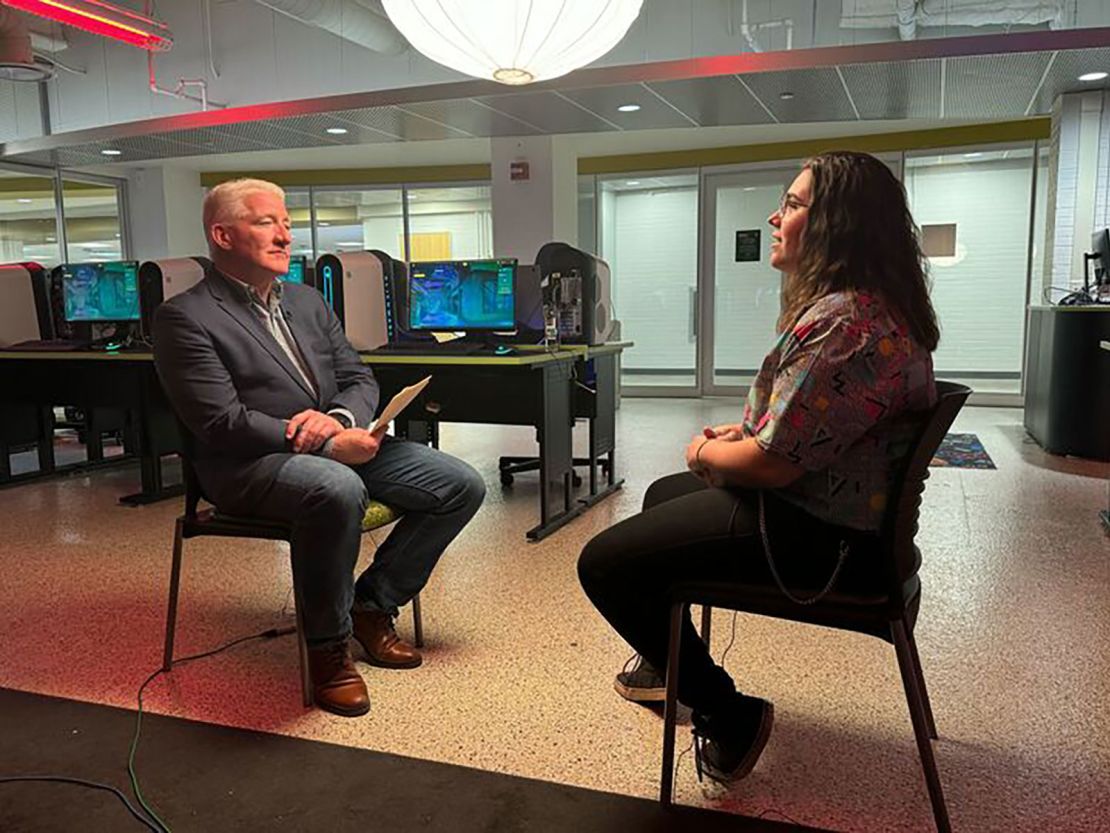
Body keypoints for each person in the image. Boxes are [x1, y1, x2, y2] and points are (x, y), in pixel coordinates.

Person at [577, 151, 939, 783]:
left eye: (794, 205)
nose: (776, 216)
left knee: (602, 564)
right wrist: (743, 434)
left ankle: (727, 712)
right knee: (665, 495)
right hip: (848, 524)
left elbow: (771, 466)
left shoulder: (843, 325)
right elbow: (808, 428)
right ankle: (670, 662)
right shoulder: (872, 310)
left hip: (825, 547)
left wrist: (709, 451)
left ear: (838, 225)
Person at [154, 178, 485, 717]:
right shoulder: (185, 317)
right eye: (266, 222)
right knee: (336, 487)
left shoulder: (306, 300)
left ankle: (371, 605)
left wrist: (338, 419)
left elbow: (357, 374)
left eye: (286, 223)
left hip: (334, 440)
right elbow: (219, 421)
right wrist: (319, 440)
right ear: (222, 234)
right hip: (248, 465)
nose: (285, 235)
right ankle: (327, 648)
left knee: (460, 484)